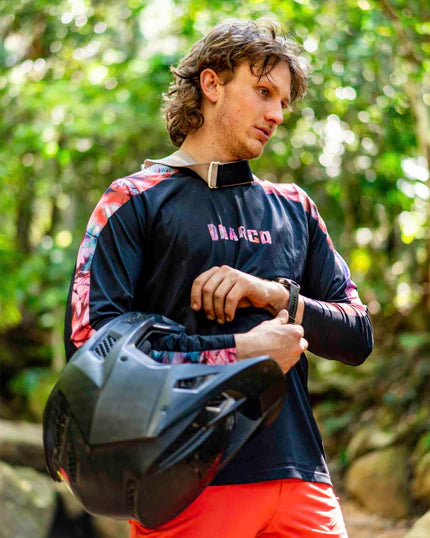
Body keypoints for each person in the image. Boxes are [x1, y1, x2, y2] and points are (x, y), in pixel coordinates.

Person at [64, 19, 373, 538]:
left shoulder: (294, 208)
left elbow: (358, 335)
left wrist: (277, 296)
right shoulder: (133, 199)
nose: (277, 114)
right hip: (186, 484)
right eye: (263, 92)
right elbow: (92, 348)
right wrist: (241, 352)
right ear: (211, 84)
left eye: (283, 102)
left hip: (302, 479)